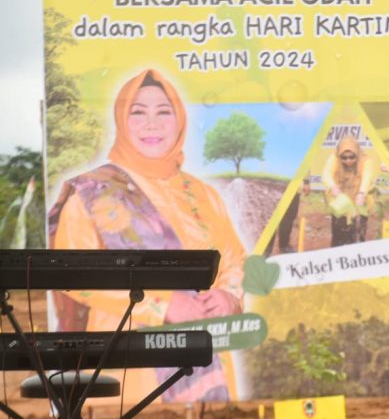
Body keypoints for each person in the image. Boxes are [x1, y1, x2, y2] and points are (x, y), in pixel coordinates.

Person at [48, 68, 246, 402]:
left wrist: (228, 295)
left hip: (206, 362)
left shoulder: (204, 195)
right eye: (137, 112)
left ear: (179, 121)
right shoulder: (92, 193)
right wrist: (161, 305)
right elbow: (72, 275)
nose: (151, 124)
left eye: (163, 112)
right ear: (122, 121)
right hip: (125, 366)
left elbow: (234, 260)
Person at [322, 135, 375, 246]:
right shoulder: (334, 158)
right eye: (344, 158)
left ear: (357, 153)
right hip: (340, 203)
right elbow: (326, 174)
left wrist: (361, 193)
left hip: (359, 202)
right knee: (338, 237)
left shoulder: (365, 160)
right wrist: (333, 187)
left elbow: (367, 176)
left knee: (357, 237)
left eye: (352, 157)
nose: (348, 161)